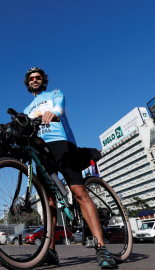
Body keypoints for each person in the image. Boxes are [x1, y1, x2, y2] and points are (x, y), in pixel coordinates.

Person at [22, 67, 116, 269]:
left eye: (38, 77)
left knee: (78, 191)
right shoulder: (27, 109)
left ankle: (101, 247)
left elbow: (59, 107)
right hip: (41, 151)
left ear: (43, 80)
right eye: (31, 79)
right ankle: (51, 251)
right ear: (28, 83)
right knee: (49, 201)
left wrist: (53, 113)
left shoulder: (54, 93)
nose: (35, 80)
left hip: (61, 143)